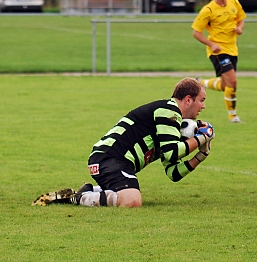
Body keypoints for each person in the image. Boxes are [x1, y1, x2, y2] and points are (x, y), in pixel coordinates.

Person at [33, 78, 215, 208]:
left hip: (110, 161)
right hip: (109, 159)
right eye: (202, 100)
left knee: (130, 198)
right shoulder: (168, 111)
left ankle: (91, 191)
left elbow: (174, 173)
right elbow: (172, 153)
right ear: (188, 99)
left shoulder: (170, 125)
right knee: (132, 201)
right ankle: (76, 198)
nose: (203, 106)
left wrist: (202, 154)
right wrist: (201, 138)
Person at [192, 0, 247, 123]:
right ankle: (233, 116)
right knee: (233, 82)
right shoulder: (208, 10)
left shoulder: (234, 2)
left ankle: (201, 83)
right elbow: (196, 32)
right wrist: (211, 44)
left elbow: (241, 19)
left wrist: (240, 28)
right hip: (218, 51)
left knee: (225, 85)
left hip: (232, 49)